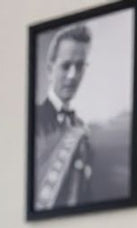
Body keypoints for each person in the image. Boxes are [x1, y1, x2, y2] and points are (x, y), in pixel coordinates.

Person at [33, 24, 94, 212]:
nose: (72, 75)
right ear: (50, 70)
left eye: (79, 66)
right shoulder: (34, 121)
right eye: (66, 66)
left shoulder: (81, 128)